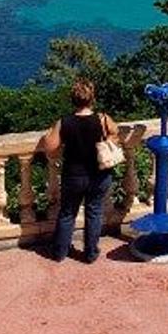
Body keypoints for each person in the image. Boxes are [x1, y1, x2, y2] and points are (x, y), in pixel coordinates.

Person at [40, 78, 119, 262]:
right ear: (92, 99)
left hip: (73, 176)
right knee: (94, 212)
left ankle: (60, 252)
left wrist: (47, 134)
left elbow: (50, 147)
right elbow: (115, 132)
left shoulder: (64, 122)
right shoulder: (102, 119)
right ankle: (90, 253)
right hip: (98, 175)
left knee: (67, 213)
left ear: (73, 100)